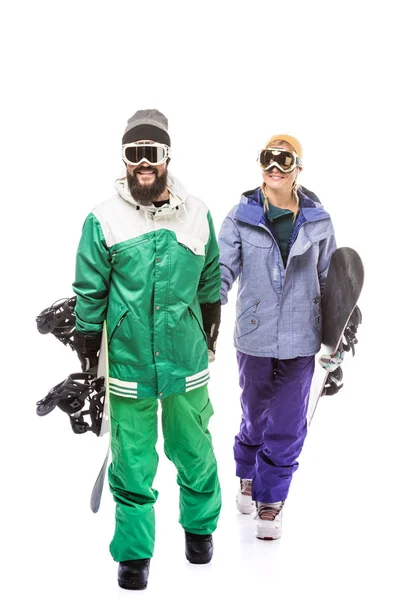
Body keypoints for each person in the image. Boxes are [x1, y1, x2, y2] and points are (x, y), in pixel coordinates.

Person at [72, 109, 222, 590]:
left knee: (192, 449)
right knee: (132, 461)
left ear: (166, 157)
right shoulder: (103, 218)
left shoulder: (197, 212)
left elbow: (211, 274)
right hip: (128, 362)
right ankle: (134, 555)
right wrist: (87, 337)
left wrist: (212, 315)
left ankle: (199, 527)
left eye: (151, 154)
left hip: (186, 359)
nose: (142, 163)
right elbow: (91, 289)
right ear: (124, 158)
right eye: (133, 154)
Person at [218, 134, 337, 540]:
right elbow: (221, 272)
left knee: (287, 421)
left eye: (284, 160)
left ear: (298, 169)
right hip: (253, 335)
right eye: (268, 159)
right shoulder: (240, 216)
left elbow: (330, 280)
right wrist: (204, 313)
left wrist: (338, 331)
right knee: (254, 415)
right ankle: (247, 474)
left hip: (301, 336)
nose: (274, 167)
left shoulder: (319, 221)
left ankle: (271, 500)